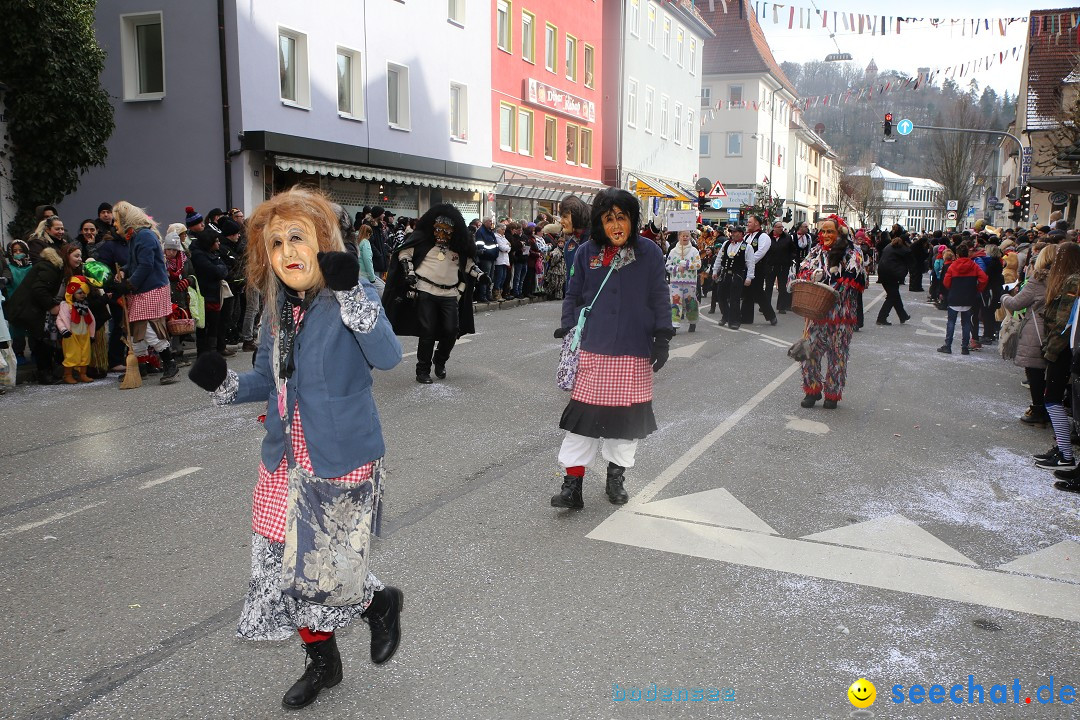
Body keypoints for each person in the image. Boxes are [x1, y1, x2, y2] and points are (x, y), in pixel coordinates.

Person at [186, 186, 404, 710]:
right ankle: (324, 662)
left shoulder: (353, 296)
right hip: (284, 458)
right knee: (283, 571)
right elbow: (267, 377)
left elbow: (389, 355)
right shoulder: (276, 311)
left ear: (323, 241)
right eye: (275, 242)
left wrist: (353, 294)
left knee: (326, 573)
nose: (286, 251)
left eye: (297, 237)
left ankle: (377, 603)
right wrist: (223, 386)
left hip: (342, 457)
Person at [550, 188, 673, 510]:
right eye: (608, 218)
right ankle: (571, 486)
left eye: (622, 217)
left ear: (632, 220)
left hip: (635, 349)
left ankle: (615, 479)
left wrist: (663, 336)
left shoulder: (650, 252)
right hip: (594, 347)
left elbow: (660, 295)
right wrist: (568, 324)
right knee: (582, 423)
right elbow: (573, 293)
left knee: (626, 424)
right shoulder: (585, 252)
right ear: (599, 223)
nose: (616, 225)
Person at [383, 204, 484, 383]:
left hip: (450, 294)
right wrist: (409, 273)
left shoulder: (459, 246)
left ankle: (440, 359)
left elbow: (468, 265)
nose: (441, 234)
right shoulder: (422, 240)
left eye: (446, 230)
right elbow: (404, 254)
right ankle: (422, 370)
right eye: (438, 229)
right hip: (425, 291)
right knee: (427, 331)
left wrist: (481, 275)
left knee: (452, 330)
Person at [795, 216, 865, 409]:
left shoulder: (853, 253)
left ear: (840, 232)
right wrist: (811, 276)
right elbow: (802, 270)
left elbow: (855, 279)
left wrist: (828, 282)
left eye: (830, 231)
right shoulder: (816, 252)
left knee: (837, 356)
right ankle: (813, 390)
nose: (825, 235)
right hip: (816, 314)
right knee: (808, 353)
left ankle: (832, 394)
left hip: (840, 316)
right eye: (823, 231)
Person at [114, 201, 180, 385]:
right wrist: (124, 271)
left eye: (116, 220)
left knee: (148, 329)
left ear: (126, 220)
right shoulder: (136, 237)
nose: (114, 224)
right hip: (143, 287)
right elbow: (136, 263)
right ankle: (140, 367)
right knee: (136, 330)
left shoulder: (144, 236)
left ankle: (170, 364)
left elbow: (146, 265)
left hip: (151, 287)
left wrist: (128, 285)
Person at [1033, 242, 1080, 475]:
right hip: (1065, 349)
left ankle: (1065, 455)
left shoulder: (1072, 281)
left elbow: (1063, 323)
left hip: (1062, 350)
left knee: (1052, 399)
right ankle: (1063, 451)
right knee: (1055, 399)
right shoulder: (1070, 280)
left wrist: (1050, 350)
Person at [1001, 244, 1054, 426]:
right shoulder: (1065, 279)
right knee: (1055, 373)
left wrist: (1004, 297)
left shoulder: (1038, 279)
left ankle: (1039, 409)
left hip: (1037, 330)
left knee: (1035, 372)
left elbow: (1016, 303)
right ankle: (1052, 409)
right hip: (1060, 331)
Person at [6, 245, 64, 383]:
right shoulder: (49, 268)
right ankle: (45, 374)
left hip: (29, 309)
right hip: (31, 310)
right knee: (43, 340)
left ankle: (46, 372)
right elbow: (39, 289)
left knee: (41, 340)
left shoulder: (43, 266)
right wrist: (51, 305)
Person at [938, 243, 987, 356]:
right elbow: (983, 278)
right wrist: (977, 289)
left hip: (954, 296)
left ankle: (948, 345)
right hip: (968, 297)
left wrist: (952, 288)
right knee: (966, 323)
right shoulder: (973, 266)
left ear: (957, 254)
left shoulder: (953, 266)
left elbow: (946, 282)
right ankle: (964, 347)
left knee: (951, 322)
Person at [710, 226, 755, 329]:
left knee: (735, 299)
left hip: (737, 276)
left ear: (741, 233)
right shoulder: (726, 244)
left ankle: (734, 321)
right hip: (725, 274)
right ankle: (725, 316)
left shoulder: (747, 247)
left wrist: (749, 278)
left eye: (735, 232)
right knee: (720, 296)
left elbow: (751, 264)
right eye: (732, 232)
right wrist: (715, 270)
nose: (732, 234)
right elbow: (719, 258)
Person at [56, 275, 96, 383]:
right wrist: (63, 330)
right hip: (71, 334)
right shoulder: (66, 306)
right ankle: (67, 374)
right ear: (72, 293)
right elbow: (59, 319)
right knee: (71, 355)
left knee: (85, 355)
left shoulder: (85, 306)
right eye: (79, 293)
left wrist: (92, 335)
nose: (82, 295)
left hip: (84, 334)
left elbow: (92, 320)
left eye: (84, 292)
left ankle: (82, 374)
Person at [741, 215, 778, 326]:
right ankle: (746, 317)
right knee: (747, 292)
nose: (748, 224)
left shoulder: (764, 237)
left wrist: (749, 262)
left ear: (757, 223)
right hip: (747, 267)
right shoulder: (747, 237)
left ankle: (771, 316)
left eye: (750, 222)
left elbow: (761, 253)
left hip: (758, 268)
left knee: (758, 292)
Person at [665, 231, 701, 333]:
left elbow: (698, 265)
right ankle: (674, 324)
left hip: (690, 281)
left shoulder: (694, 251)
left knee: (690, 302)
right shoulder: (673, 251)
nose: (685, 238)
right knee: (675, 302)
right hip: (676, 282)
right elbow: (667, 266)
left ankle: (692, 322)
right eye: (683, 236)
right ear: (679, 237)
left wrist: (688, 265)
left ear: (689, 237)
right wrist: (676, 268)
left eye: (687, 236)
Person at [875, 234, 911, 326]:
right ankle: (881, 317)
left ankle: (903, 315)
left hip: (883, 273)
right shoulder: (903, 250)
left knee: (894, 295)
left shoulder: (889, 247)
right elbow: (909, 259)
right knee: (892, 296)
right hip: (892, 274)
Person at [765, 221, 796, 314]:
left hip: (783, 266)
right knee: (769, 287)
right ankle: (766, 306)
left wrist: (790, 260)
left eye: (782, 227)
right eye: (779, 227)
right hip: (770, 266)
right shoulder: (768, 238)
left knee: (782, 287)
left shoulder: (787, 238)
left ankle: (781, 307)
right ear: (774, 228)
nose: (781, 229)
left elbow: (792, 250)